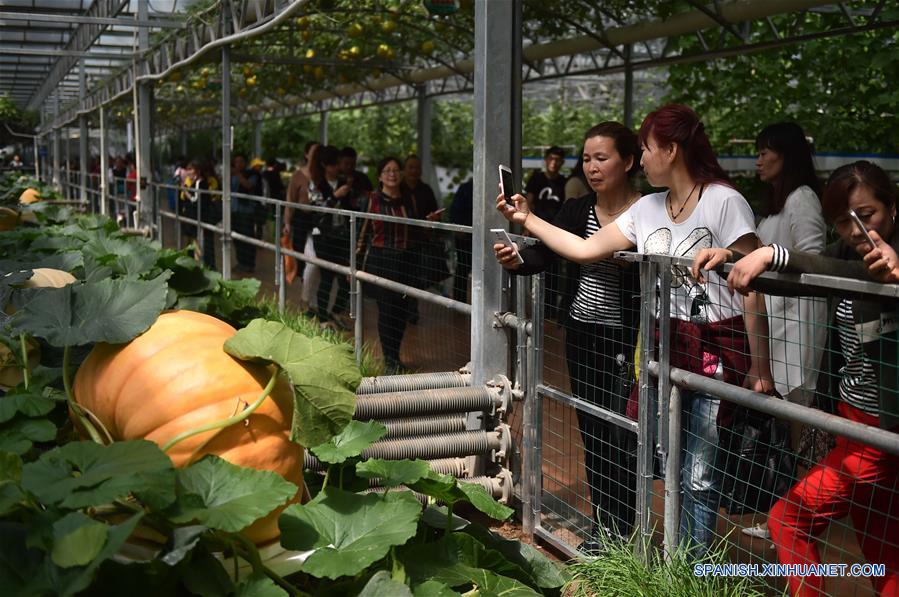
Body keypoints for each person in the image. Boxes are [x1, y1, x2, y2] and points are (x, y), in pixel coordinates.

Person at [497, 104, 774, 557]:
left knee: (699, 474)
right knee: (667, 463)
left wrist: (760, 367)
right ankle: (670, 557)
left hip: (715, 352)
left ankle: (691, 568)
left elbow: (752, 285)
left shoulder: (724, 200)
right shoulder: (647, 208)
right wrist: (526, 220)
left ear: (671, 149)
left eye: (645, 149)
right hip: (664, 349)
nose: (643, 160)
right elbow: (585, 250)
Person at [691, 160, 899, 596]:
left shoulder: (882, 260)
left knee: (788, 518)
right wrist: (736, 257)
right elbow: (811, 275)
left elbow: (857, 275)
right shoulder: (844, 255)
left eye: (869, 214)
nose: (858, 229)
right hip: (851, 421)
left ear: (893, 208)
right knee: (883, 550)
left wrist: (770, 253)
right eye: (844, 220)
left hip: (879, 433)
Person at [495, 122, 642, 551]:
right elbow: (544, 253)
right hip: (582, 335)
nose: (592, 167)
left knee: (625, 435)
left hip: (629, 342)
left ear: (629, 161)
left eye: (603, 158)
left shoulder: (647, 211)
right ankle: (606, 527)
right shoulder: (578, 210)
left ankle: (624, 526)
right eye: (588, 159)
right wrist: (515, 258)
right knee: (593, 432)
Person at [741, 122, 828, 539]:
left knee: (794, 421)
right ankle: (784, 516)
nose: (758, 160)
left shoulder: (803, 198)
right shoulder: (776, 204)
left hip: (797, 326)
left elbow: (813, 257)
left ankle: (797, 520)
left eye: (765, 151)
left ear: (787, 155)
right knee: (782, 426)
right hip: (775, 326)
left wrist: (769, 257)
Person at [356, 157, 414, 374]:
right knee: (387, 309)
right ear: (379, 176)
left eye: (396, 170)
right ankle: (390, 358)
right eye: (387, 170)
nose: (392, 174)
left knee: (402, 311)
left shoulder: (408, 200)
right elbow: (361, 233)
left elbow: (416, 231)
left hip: (405, 261)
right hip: (380, 260)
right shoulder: (371, 200)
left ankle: (396, 355)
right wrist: (355, 265)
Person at [309, 145, 355, 325]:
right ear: (325, 165)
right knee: (326, 278)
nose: (339, 168)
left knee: (346, 279)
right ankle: (322, 318)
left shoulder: (346, 182)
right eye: (335, 164)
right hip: (323, 237)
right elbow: (316, 212)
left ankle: (335, 312)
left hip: (342, 236)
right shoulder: (316, 184)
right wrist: (335, 196)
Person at [525, 146, 568, 320]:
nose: (554, 163)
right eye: (551, 158)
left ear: (562, 163)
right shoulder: (536, 178)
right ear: (546, 160)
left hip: (556, 233)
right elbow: (529, 202)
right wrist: (528, 227)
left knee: (553, 272)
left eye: (558, 160)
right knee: (533, 267)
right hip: (536, 231)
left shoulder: (564, 182)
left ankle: (549, 310)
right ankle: (534, 308)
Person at [284, 141, 319, 312]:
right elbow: (290, 200)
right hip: (301, 221)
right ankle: (309, 298)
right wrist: (287, 222)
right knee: (303, 262)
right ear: (306, 154)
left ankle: (311, 299)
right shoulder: (298, 175)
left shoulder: (321, 175)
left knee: (314, 260)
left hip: (317, 222)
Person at [231, 153, 263, 273]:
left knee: (247, 238)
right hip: (234, 210)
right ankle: (241, 262)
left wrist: (238, 174)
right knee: (236, 238)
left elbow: (249, 185)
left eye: (241, 161)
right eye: (236, 162)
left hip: (246, 211)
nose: (238, 164)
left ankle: (249, 263)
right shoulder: (232, 175)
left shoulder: (252, 174)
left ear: (245, 163)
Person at [449, 178, 473, 302]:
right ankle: (459, 302)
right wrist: (459, 229)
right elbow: (454, 210)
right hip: (465, 237)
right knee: (463, 268)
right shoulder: (466, 188)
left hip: (480, 238)